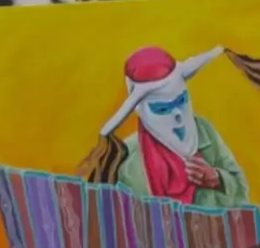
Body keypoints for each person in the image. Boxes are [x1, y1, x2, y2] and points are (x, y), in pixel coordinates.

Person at [98, 45, 251, 207]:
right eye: (162, 109)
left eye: (181, 100)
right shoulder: (126, 159)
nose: (177, 115)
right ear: (141, 110)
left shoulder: (203, 130)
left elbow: (241, 190)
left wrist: (218, 179)